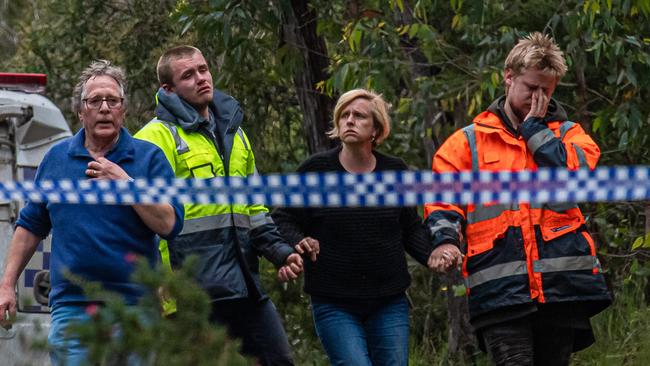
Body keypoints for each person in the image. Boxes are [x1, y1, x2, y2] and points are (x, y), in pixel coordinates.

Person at [424, 32, 611, 365]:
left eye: (546, 91)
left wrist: (535, 129)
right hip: (500, 288)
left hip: (561, 287)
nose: (538, 97)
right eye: (531, 88)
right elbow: (442, 199)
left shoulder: (570, 135)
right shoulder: (467, 143)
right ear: (508, 78)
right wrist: (445, 241)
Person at [0, 60, 184, 365]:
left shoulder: (149, 158)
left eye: (113, 100)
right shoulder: (56, 159)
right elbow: (30, 225)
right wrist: (7, 285)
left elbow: (169, 224)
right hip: (72, 310)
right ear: (80, 110)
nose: (104, 107)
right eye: (95, 100)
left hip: (136, 309)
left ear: (124, 109)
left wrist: (126, 186)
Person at [134, 45, 302, 365]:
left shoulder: (234, 133)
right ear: (167, 89)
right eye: (188, 75)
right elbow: (143, 223)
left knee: (280, 360)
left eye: (203, 69)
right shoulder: (153, 138)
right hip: (189, 294)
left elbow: (253, 209)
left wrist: (281, 252)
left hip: (244, 286)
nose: (201, 78)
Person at [272, 88, 437, 366]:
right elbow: (283, 217)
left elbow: (409, 227)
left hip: (388, 300)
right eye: (344, 115)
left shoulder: (395, 172)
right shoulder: (316, 171)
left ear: (376, 129)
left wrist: (434, 254)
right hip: (334, 301)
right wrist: (299, 241)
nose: (349, 121)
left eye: (359, 116)